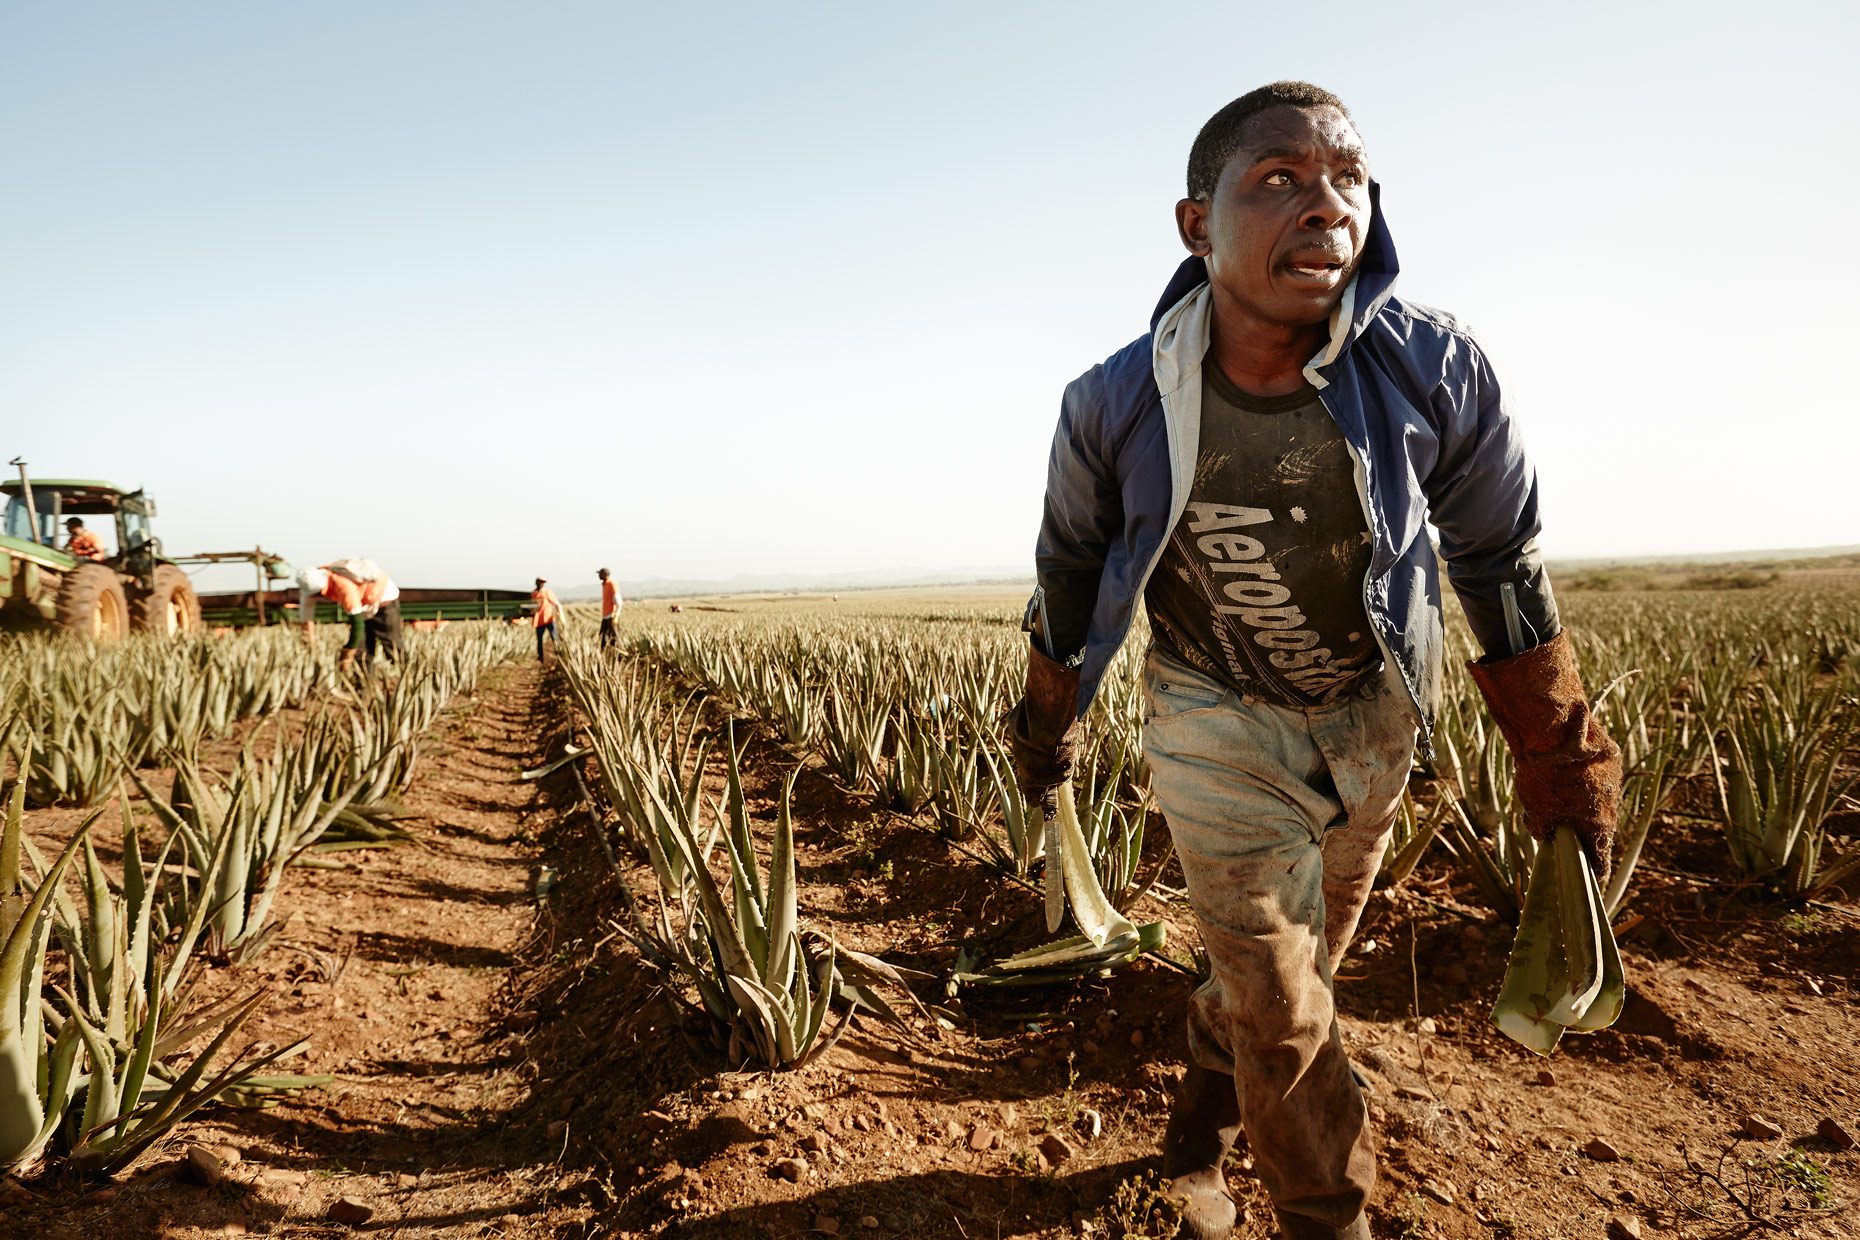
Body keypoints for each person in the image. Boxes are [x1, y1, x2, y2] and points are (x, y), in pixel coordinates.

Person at [1010, 82, 1620, 1240]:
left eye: (1348, 180)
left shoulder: (1436, 369)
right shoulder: (1115, 402)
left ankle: (1200, 1122)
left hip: (1372, 717)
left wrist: (1559, 750)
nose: (1326, 205)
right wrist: (1046, 723)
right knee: (1282, 996)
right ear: (1197, 224)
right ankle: (1323, 1217)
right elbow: (1071, 569)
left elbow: (1500, 558)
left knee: (1300, 965)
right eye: (1279, 180)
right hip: (1210, 713)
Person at [296, 558, 403, 670]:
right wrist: (309, 641)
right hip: (363, 605)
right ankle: (363, 685)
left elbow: (357, 624)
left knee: (391, 644)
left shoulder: (343, 586)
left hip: (383, 598)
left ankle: (404, 675)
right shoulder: (309, 585)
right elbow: (306, 616)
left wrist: (348, 650)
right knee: (362, 651)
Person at [531, 577, 563, 660]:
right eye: (540, 582)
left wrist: (560, 613)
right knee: (539, 640)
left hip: (548, 618)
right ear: (536, 583)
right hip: (539, 620)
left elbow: (556, 603)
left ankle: (560, 655)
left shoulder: (547, 592)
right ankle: (540, 657)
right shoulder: (534, 593)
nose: (541, 584)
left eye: (542, 582)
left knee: (555, 638)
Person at [597, 567, 622, 648]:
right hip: (606, 615)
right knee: (602, 637)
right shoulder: (605, 584)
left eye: (600, 574)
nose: (599, 575)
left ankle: (620, 656)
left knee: (614, 637)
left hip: (611, 615)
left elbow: (618, 600)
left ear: (606, 575)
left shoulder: (611, 583)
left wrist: (617, 614)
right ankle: (605, 654)